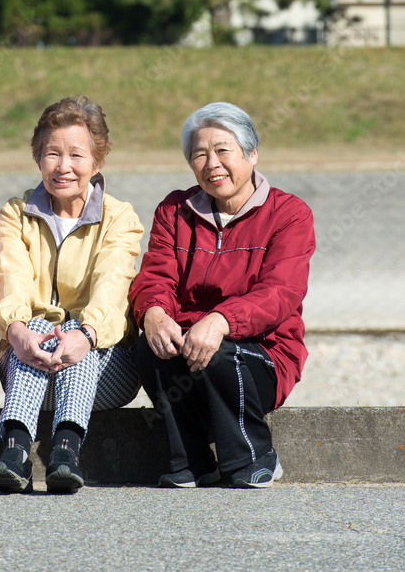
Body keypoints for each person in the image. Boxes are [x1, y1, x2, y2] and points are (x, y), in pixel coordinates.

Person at [130, 101, 315, 489]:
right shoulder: (174, 210)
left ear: (251, 153)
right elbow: (156, 276)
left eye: (222, 150)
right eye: (199, 154)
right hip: (191, 347)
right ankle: (193, 461)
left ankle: (254, 456)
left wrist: (221, 320)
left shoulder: (289, 213)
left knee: (218, 352)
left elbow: (280, 292)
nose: (211, 163)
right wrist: (154, 313)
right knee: (150, 346)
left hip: (263, 354)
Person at [0, 96, 143, 494]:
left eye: (76, 154)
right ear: (38, 158)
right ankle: (16, 452)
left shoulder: (119, 217)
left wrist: (85, 334)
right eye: (52, 153)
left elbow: (112, 286)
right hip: (27, 360)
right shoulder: (16, 213)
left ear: (97, 161)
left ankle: (66, 449)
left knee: (75, 331)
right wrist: (18, 333)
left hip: (106, 368)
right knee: (38, 325)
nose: (63, 166)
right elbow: (13, 280)